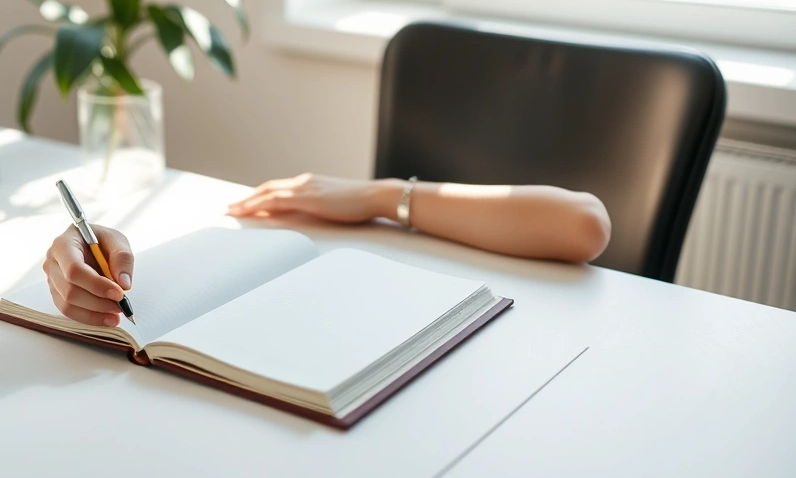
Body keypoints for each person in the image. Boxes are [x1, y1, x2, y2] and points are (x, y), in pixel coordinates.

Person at [44, 173, 611, 326]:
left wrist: (381, 194)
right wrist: (76, 248)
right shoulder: (294, 206)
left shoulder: (347, 201)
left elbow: (585, 225)